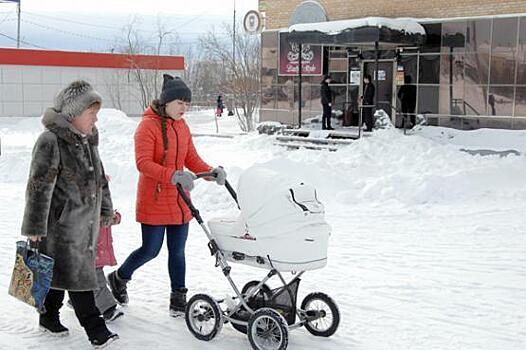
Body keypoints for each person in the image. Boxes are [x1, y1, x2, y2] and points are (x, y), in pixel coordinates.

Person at [108, 74, 226, 317]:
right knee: (150, 249)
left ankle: (178, 297)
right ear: (166, 102)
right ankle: (119, 278)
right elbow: (143, 163)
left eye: (187, 104)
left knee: (178, 251)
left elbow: (191, 158)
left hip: (179, 200)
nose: (184, 108)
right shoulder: (147, 126)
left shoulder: (182, 127)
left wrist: (210, 173)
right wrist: (172, 175)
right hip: (154, 198)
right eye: (180, 103)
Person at [21, 80, 119, 347]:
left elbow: (100, 178)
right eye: (91, 113)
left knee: (58, 273)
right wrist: (34, 227)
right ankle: (96, 329)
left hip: (85, 224)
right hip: (60, 227)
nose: (95, 119)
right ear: (74, 115)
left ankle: (48, 316)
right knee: (79, 276)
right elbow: (38, 187)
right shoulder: (50, 141)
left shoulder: (88, 140)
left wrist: (106, 211)